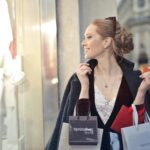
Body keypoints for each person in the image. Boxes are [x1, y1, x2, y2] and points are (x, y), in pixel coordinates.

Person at [45, 17, 150, 150]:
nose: (83, 43)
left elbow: (138, 130)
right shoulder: (79, 79)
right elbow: (79, 137)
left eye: (89, 37)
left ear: (106, 42)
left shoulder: (135, 80)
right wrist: (84, 87)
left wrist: (141, 92)